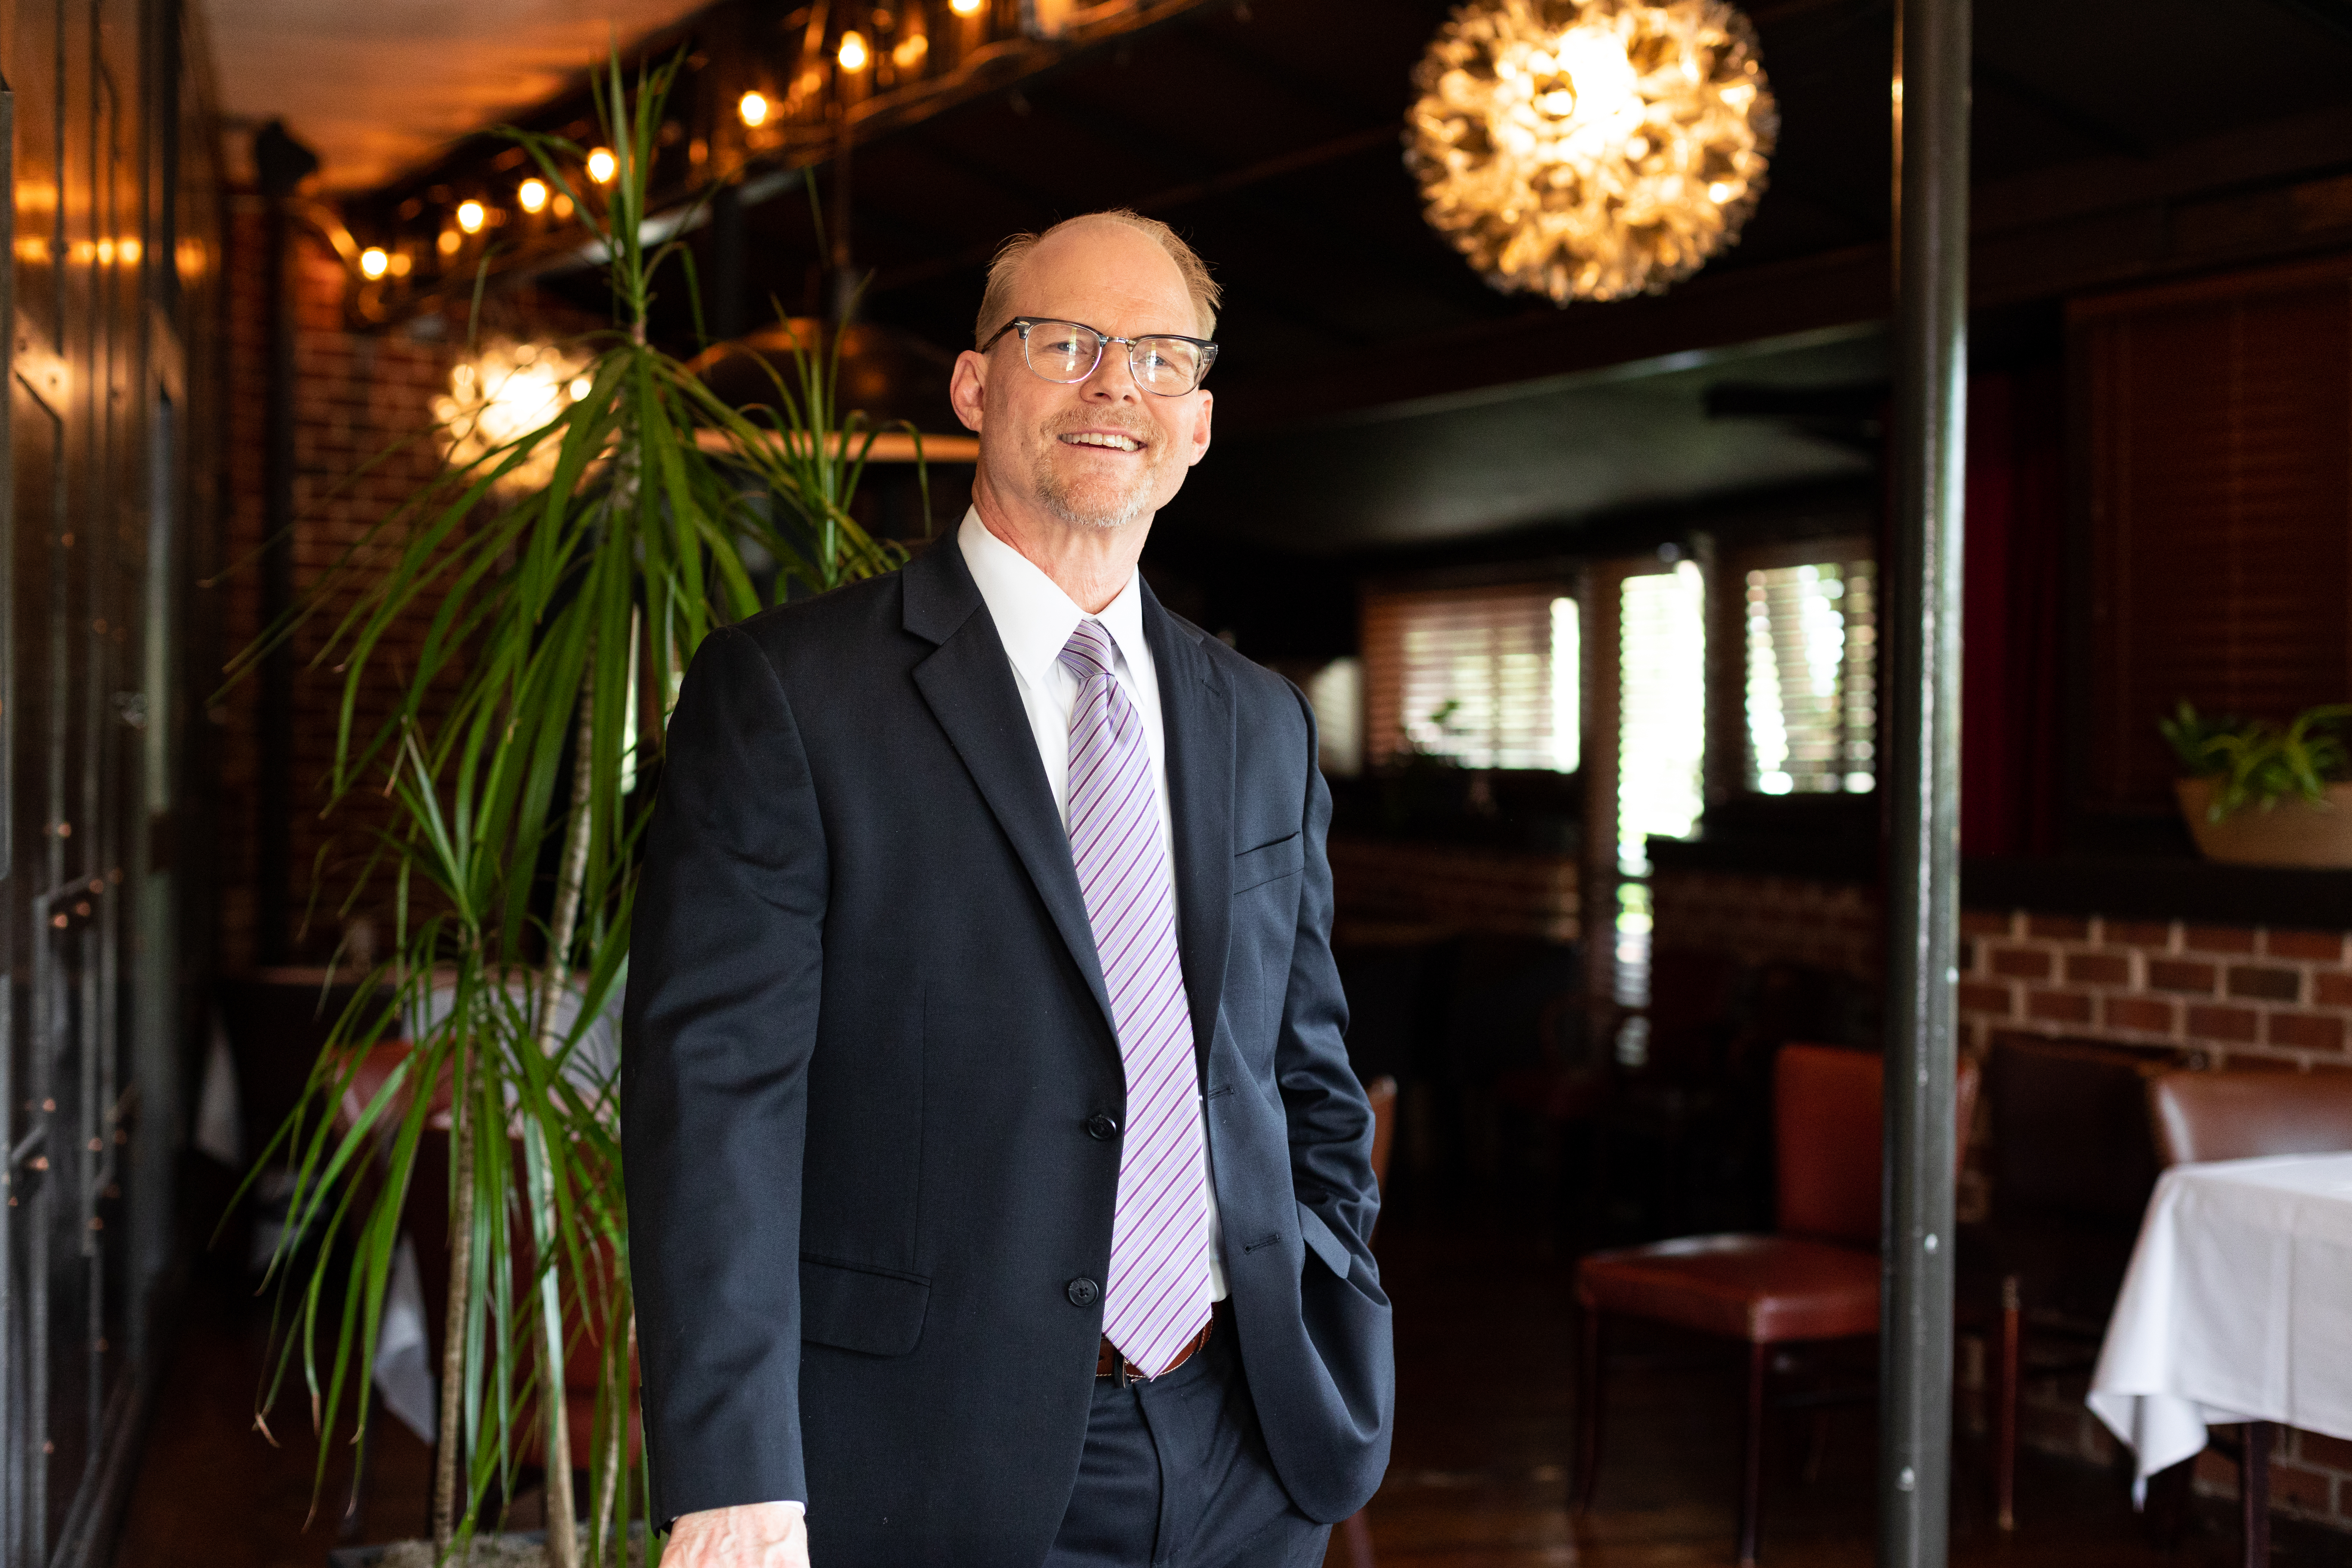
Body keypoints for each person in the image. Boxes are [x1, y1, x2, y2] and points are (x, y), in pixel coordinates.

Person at [622, 208, 1392, 1568]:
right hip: (927, 1457)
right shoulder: (792, 696)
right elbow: (720, 1104)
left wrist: (1335, 1303)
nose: (1117, 386)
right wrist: (734, 1472)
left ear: (1198, 423)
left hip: (1250, 1442)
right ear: (978, 386)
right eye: (1069, 343)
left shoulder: (1259, 720)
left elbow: (1299, 1067)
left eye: (1160, 357)